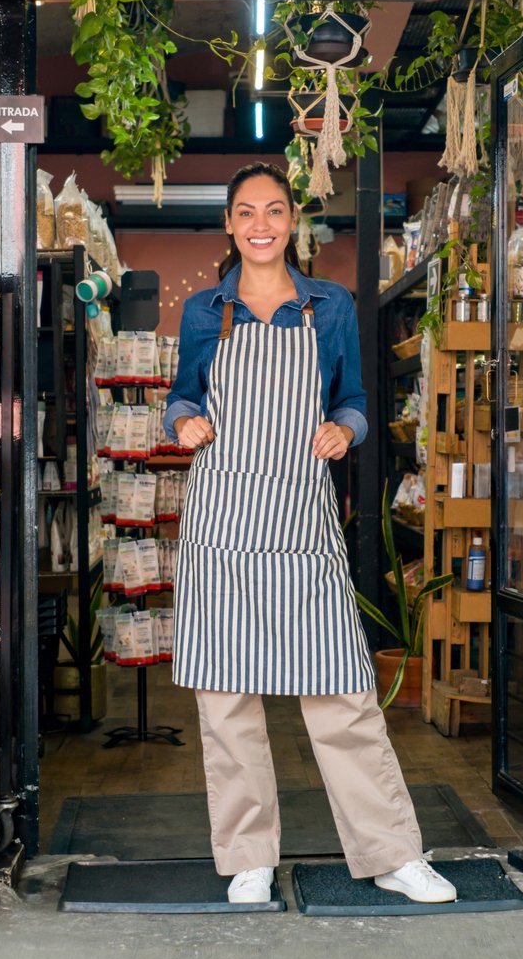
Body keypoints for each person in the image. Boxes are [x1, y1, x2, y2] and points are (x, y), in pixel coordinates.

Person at [163, 162, 457, 905]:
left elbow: (356, 399)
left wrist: (343, 429)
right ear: (228, 225)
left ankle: (391, 853)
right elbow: (181, 396)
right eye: (244, 212)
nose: (259, 224)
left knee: (342, 695)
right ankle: (247, 857)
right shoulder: (205, 311)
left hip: (301, 520)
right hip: (223, 523)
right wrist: (184, 422)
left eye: (273, 210)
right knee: (227, 700)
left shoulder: (328, 306)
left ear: (292, 220)